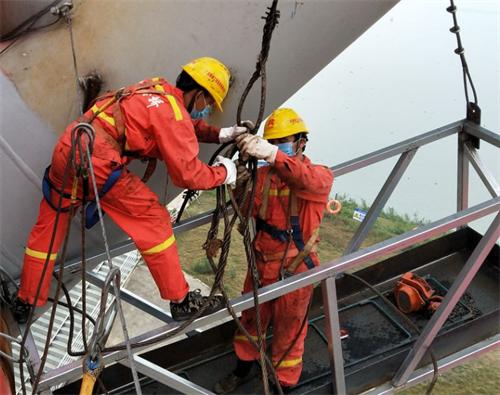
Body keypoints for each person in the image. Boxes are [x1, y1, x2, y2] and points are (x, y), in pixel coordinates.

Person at [13, 57, 249, 323]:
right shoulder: (172, 112)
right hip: (98, 162)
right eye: (208, 104)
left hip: (70, 148)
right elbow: (187, 174)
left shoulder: (156, 90)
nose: (205, 110)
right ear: (200, 96)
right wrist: (225, 174)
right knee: (154, 220)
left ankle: (26, 300)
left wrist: (219, 134)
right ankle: (181, 301)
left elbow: (177, 126)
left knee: (49, 227)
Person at [214, 108, 334, 393]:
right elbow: (246, 212)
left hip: (296, 268)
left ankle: (284, 384)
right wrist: (239, 180)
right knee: (250, 321)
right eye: (274, 141)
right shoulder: (265, 177)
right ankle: (242, 369)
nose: (278, 145)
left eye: (284, 140)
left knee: (288, 331)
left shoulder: (319, 176)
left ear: (301, 142)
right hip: (262, 263)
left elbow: (303, 179)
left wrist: (272, 155)